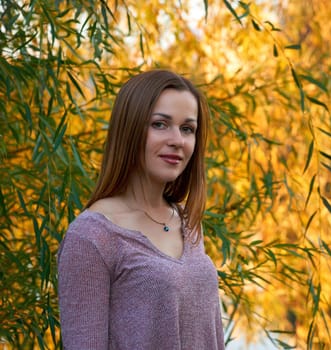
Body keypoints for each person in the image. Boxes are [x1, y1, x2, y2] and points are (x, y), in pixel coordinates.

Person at [57, 70, 225, 349]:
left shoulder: (188, 222)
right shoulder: (91, 238)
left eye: (188, 129)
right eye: (160, 124)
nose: (177, 140)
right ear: (130, 128)